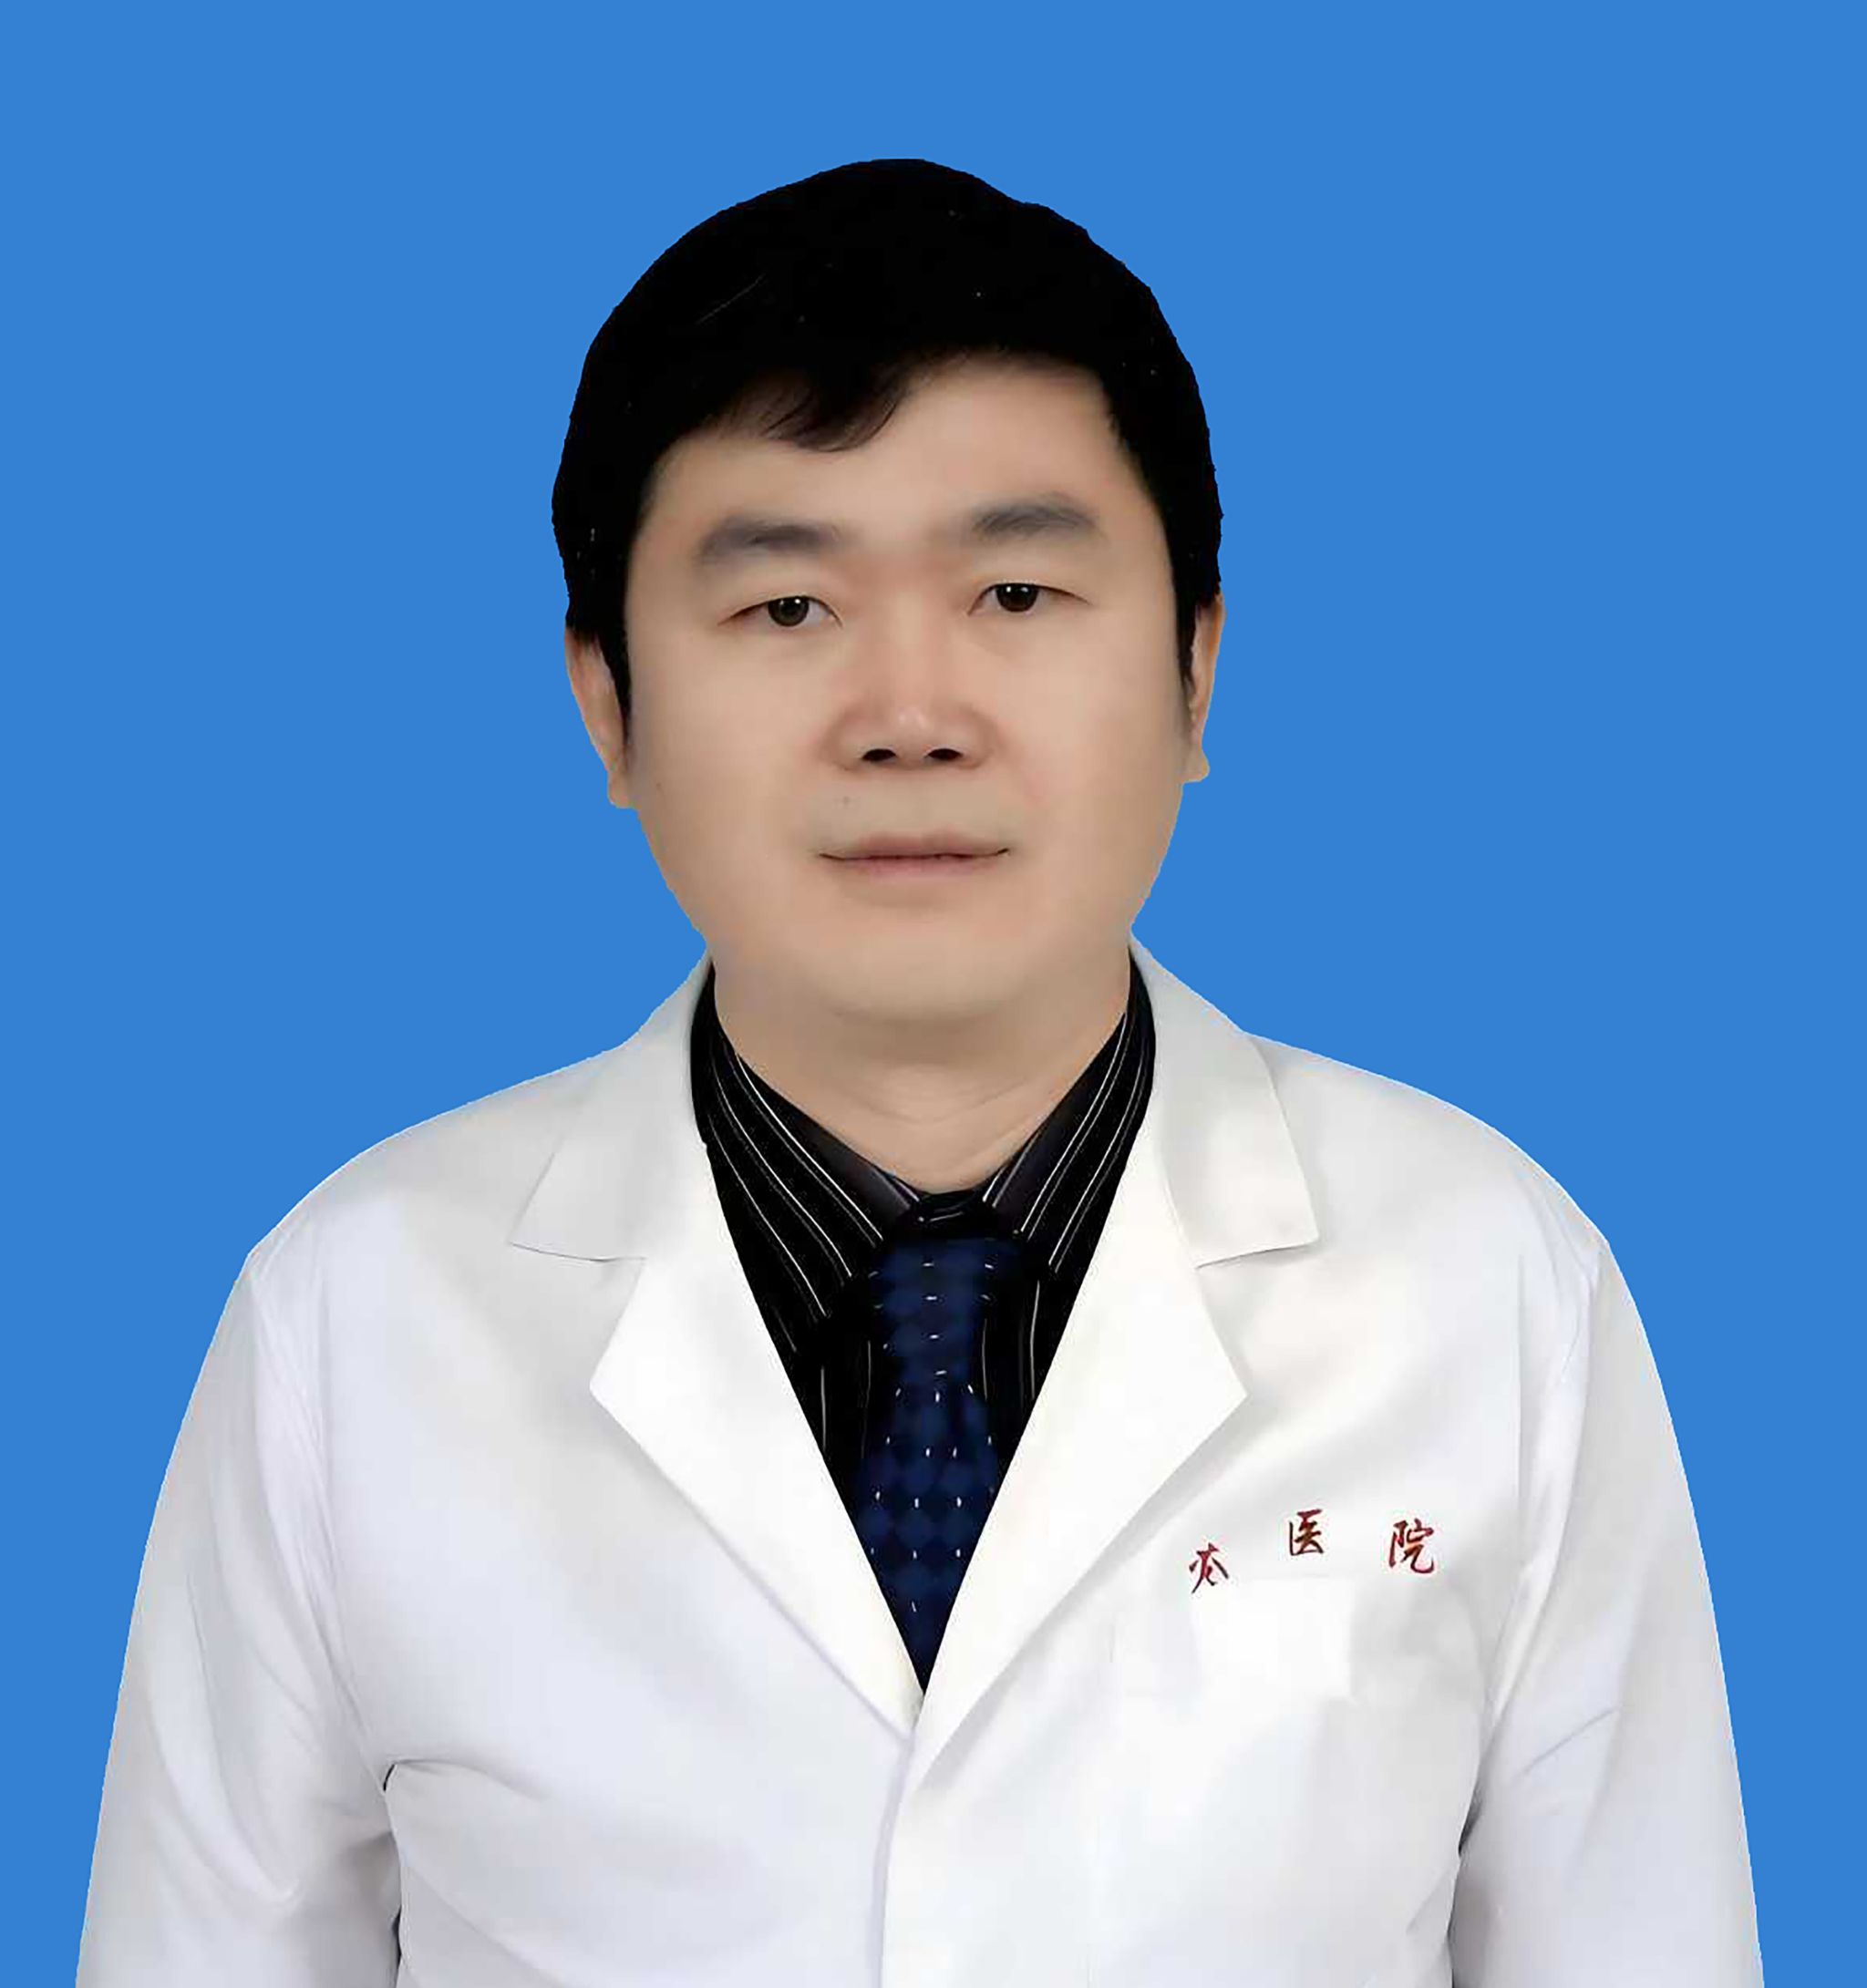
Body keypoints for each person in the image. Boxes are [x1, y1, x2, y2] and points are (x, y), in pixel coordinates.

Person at [77, 157, 1764, 1986]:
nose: (909, 715)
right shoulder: (358, 1311)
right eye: (786, 607)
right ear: (607, 702)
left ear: (1197, 669)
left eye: (1017, 591)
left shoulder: (1485, 1278)